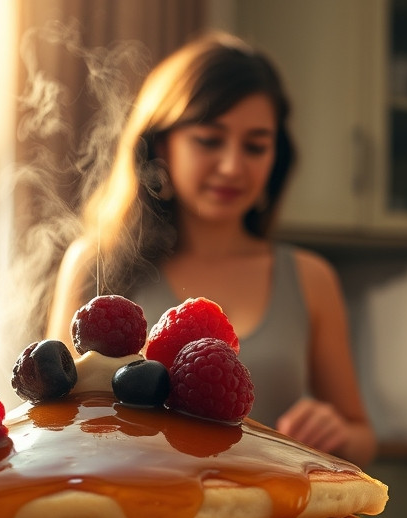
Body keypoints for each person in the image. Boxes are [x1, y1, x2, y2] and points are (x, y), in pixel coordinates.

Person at [46, 32, 376, 466]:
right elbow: (51, 420)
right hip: (136, 514)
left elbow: (361, 438)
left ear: (276, 157)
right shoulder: (97, 264)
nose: (233, 166)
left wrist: (337, 432)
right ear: (161, 145)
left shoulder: (311, 277)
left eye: (256, 146)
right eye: (209, 140)